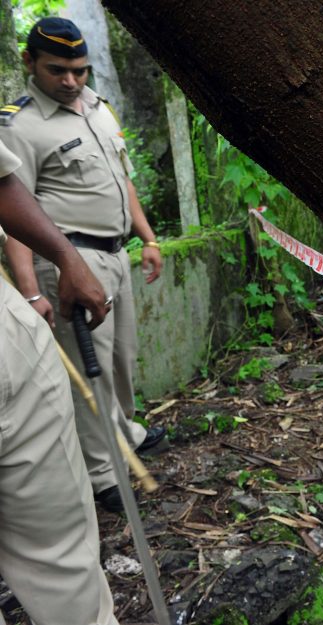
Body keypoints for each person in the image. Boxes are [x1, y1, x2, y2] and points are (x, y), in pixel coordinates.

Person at [0, 17, 166, 513]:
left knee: (120, 358)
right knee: (89, 370)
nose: (70, 81)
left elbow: (123, 179)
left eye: (79, 69)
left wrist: (148, 237)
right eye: (57, 70)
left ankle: (126, 435)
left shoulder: (98, 108)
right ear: (30, 62)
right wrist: (32, 293)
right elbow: (13, 214)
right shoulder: (19, 126)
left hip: (115, 253)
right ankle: (102, 474)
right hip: (70, 262)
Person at [0, 137, 120, 624]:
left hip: (11, 358)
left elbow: (1, 184)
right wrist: (32, 289)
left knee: (66, 566)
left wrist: (66, 257)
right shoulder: (28, 125)